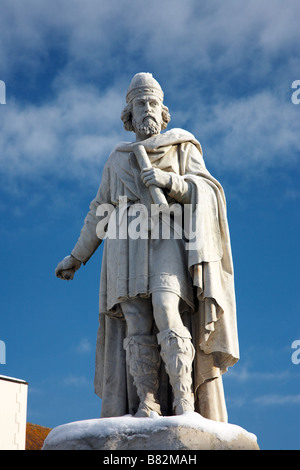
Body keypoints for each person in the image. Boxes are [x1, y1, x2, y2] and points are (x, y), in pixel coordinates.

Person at [55, 73, 239, 421]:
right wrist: (77, 257)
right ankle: (147, 401)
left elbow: (208, 191)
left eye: (153, 102)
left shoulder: (181, 146)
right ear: (130, 112)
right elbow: (99, 211)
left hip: (167, 237)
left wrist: (170, 181)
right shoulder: (117, 159)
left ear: (163, 110)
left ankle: (184, 401)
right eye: (141, 103)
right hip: (124, 245)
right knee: (136, 323)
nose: (148, 108)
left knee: (168, 310)